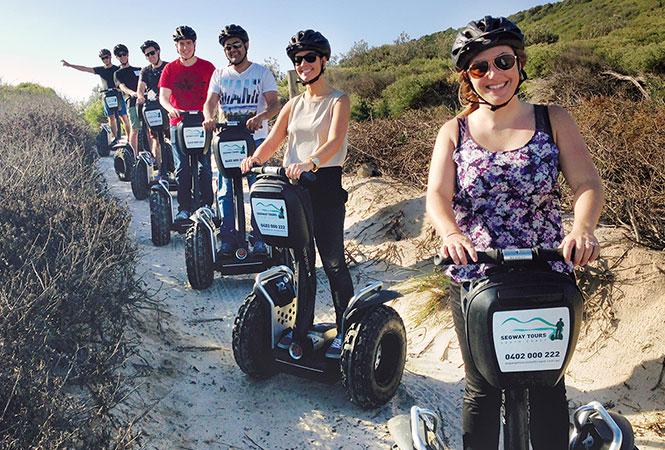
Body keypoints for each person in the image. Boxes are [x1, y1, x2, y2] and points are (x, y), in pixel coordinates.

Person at [425, 16, 604, 449]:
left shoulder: (553, 119)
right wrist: (450, 234)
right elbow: (436, 194)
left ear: (519, 64)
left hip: (545, 270)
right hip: (478, 274)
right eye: (479, 68)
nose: (493, 75)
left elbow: (587, 184)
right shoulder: (455, 131)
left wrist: (582, 229)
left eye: (502, 61)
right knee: (482, 386)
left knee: (547, 386)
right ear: (468, 77)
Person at [240, 30, 354, 359]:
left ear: (323, 60)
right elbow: (274, 139)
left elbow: (334, 140)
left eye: (309, 58)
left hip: (325, 183)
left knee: (332, 261)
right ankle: (301, 330)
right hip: (294, 187)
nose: (302, 64)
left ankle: (344, 328)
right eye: (297, 60)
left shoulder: (338, 100)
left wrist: (311, 162)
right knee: (302, 264)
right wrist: (256, 159)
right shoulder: (293, 104)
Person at [203, 24, 280, 256]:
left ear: (246, 45)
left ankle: (260, 239)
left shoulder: (262, 73)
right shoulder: (219, 74)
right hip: (227, 141)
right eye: (228, 47)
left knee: (258, 187)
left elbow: (275, 104)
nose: (233, 50)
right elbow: (210, 102)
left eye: (237, 45)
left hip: (255, 141)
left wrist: (262, 116)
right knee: (225, 190)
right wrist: (208, 117)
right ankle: (228, 238)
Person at [159, 26, 216, 221]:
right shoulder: (170, 68)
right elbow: (163, 97)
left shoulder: (208, 67)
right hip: (179, 123)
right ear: (176, 46)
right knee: (182, 167)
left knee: (204, 167)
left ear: (194, 45)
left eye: (188, 44)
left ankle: (206, 206)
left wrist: (212, 115)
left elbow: (215, 95)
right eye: (181, 44)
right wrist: (170, 108)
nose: (185, 48)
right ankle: (184, 208)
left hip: (202, 122)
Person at [61, 49, 130, 142]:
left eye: (106, 57)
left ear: (110, 57)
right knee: (111, 117)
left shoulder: (117, 69)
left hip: (118, 94)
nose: (105, 60)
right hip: (107, 95)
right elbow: (85, 69)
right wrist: (69, 65)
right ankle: (116, 138)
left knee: (123, 116)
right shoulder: (101, 70)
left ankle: (130, 137)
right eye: (102, 58)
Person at [137, 40, 169, 178]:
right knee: (156, 139)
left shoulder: (168, 67)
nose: (150, 56)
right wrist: (140, 96)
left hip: (168, 107)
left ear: (158, 51)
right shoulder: (146, 71)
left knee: (171, 137)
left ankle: (178, 169)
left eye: (152, 53)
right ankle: (161, 171)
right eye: (147, 55)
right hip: (154, 107)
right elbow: (141, 87)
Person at [113, 44, 142, 155]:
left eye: (124, 54)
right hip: (132, 102)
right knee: (134, 130)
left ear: (128, 54)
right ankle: (133, 156)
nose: (122, 57)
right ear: (117, 57)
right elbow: (122, 87)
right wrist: (132, 93)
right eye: (119, 55)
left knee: (150, 131)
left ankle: (153, 157)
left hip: (144, 102)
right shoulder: (117, 73)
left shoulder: (139, 70)